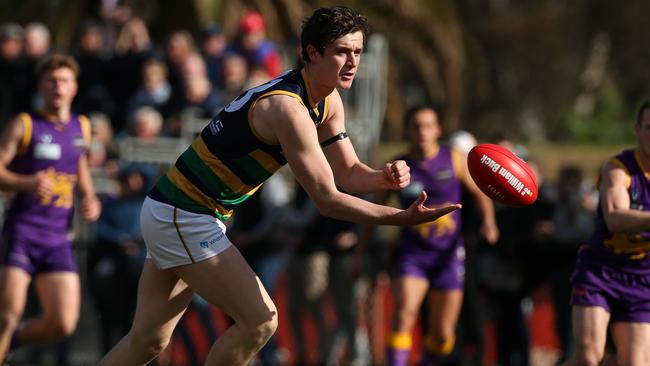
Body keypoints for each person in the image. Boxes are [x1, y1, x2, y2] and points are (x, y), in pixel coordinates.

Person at [98, 6, 460, 366]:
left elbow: (348, 172)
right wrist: (401, 218)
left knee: (146, 342)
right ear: (312, 53)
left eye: (358, 52)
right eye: (341, 52)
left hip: (175, 211)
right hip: (184, 214)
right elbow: (328, 200)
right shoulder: (288, 110)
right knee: (261, 321)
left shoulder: (327, 100)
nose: (353, 62)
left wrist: (382, 177)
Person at [370, 106, 498, 366]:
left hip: (449, 255)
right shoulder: (399, 167)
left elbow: (481, 194)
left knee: (442, 335)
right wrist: (360, 251)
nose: (421, 132)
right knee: (403, 315)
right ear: (407, 130)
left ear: (438, 130)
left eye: (427, 126)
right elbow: (374, 211)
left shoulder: (454, 159)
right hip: (412, 255)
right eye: (416, 126)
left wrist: (489, 222)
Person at [0, 53, 102, 361]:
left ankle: (10, 343)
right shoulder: (25, 124)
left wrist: (89, 197)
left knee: (63, 322)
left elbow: (79, 166)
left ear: (75, 87)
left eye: (64, 80)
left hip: (58, 238)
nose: (58, 86)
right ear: (41, 86)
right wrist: (26, 182)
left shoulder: (81, 127)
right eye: (51, 80)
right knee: (8, 314)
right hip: (23, 232)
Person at [562, 101, 650, 366]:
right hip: (601, 270)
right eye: (649, 127)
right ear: (637, 130)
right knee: (589, 357)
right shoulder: (618, 168)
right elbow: (614, 217)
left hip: (644, 278)